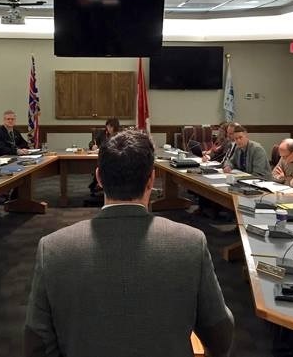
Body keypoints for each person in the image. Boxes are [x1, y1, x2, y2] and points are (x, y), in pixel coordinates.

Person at [24, 131, 234, 357]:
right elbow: (220, 337)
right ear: (151, 179)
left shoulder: (53, 249)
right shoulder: (190, 243)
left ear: (99, 178)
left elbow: (37, 345)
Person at [88, 118, 120, 196]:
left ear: (115, 127)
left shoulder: (120, 135)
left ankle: (103, 184)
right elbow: (92, 142)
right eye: (108, 126)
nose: (108, 129)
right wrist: (93, 146)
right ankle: (99, 183)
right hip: (102, 157)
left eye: (111, 127)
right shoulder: (102, 133)